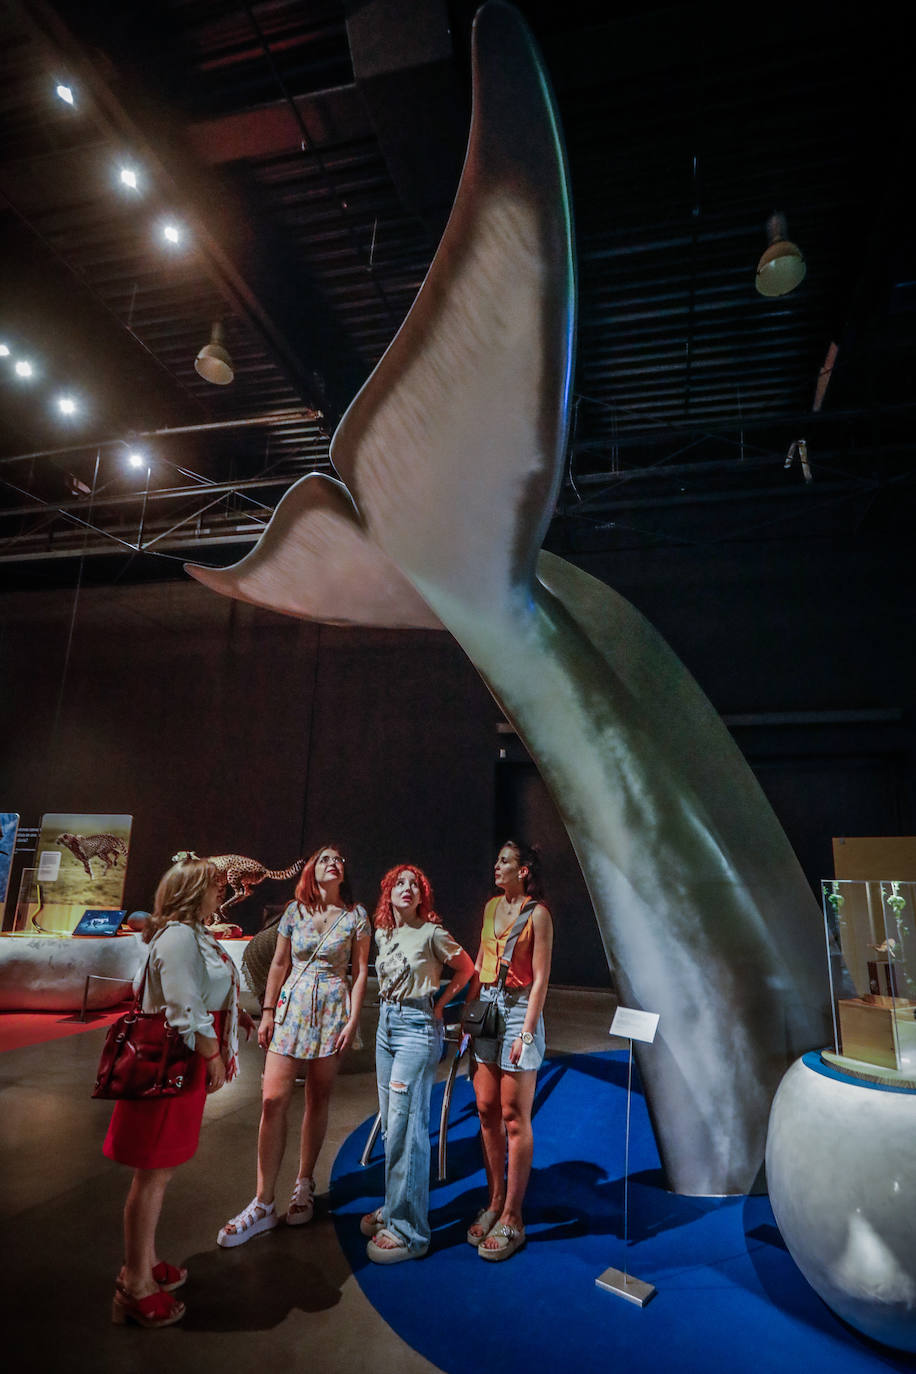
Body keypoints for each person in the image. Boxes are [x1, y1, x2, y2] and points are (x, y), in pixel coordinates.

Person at [105, 852, 252, 1328]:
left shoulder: (190, 935)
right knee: (153, 1174)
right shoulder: (181, 937)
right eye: (214, 886)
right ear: (194, 892)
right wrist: (212, 1056)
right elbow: (183, 1010)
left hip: (176, 1066)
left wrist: (234, 1015)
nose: (220, 893)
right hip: (170, 1068)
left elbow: (194, 990)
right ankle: (135, 1284)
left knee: (158, 1173)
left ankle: (142, 1265)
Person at [218, 843, 370, 1246]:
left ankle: (303, 1182)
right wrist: (266, 1011)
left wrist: (352, 1020)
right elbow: (280, 963)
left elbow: (359, 972)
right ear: (311, 871)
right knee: (272, 1099)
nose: (333, 862)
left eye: (339, 858)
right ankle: (263, 1202)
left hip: (333, 1009)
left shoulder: (356, 916)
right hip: (292, 1006)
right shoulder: (294, 912)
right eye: (324, 858)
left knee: (319, 1097)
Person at [361, 865, 474, 1264]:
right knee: (393, 1126)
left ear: (423, 895)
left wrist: (442, 1006)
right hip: (386, 1026)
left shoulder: (432, 933)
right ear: (387, 893)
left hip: (416, 1029)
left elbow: (468, 969)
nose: (407, 889)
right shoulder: (384, 932)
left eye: (414, 884)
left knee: (408, 1130)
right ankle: (395, 1208)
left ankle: (412, 1233)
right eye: (399, 883)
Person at [464, 841, 553, 1261]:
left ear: (523, 870)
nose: (496, 865)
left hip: (519, 1011)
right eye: (496, 858)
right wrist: (468, 1016)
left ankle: (514, 1217)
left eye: (504, 860)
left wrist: (528, 1033)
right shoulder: (488, 908)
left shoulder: (539, 915)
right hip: (489, 1010)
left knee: (514, 1116)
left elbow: (540, 980)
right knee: (485, 1109)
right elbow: (482, 960)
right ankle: (495, 1200)